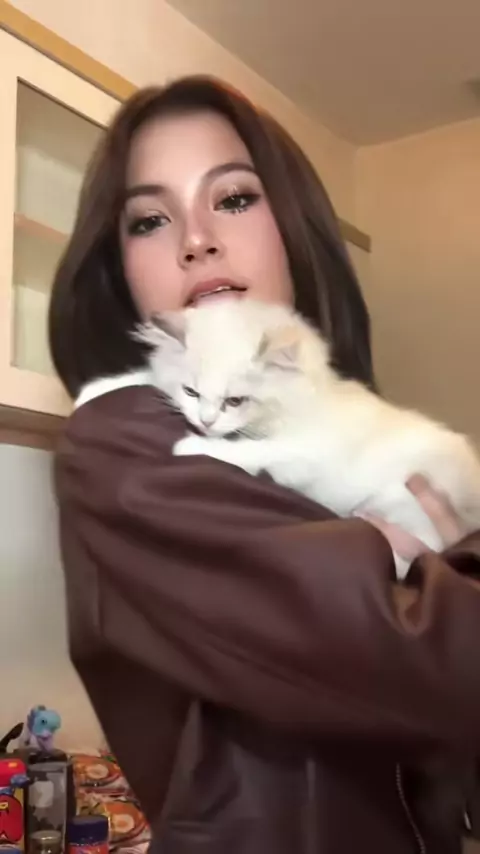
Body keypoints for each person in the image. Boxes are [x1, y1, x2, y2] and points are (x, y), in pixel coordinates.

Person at [49, 76, 480, 854]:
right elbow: (439, 668)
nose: (196, 239)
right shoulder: (124, 438)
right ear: (121, 272)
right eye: (149, 219)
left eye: (235, 199)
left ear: (294, 229)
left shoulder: (331, 421)